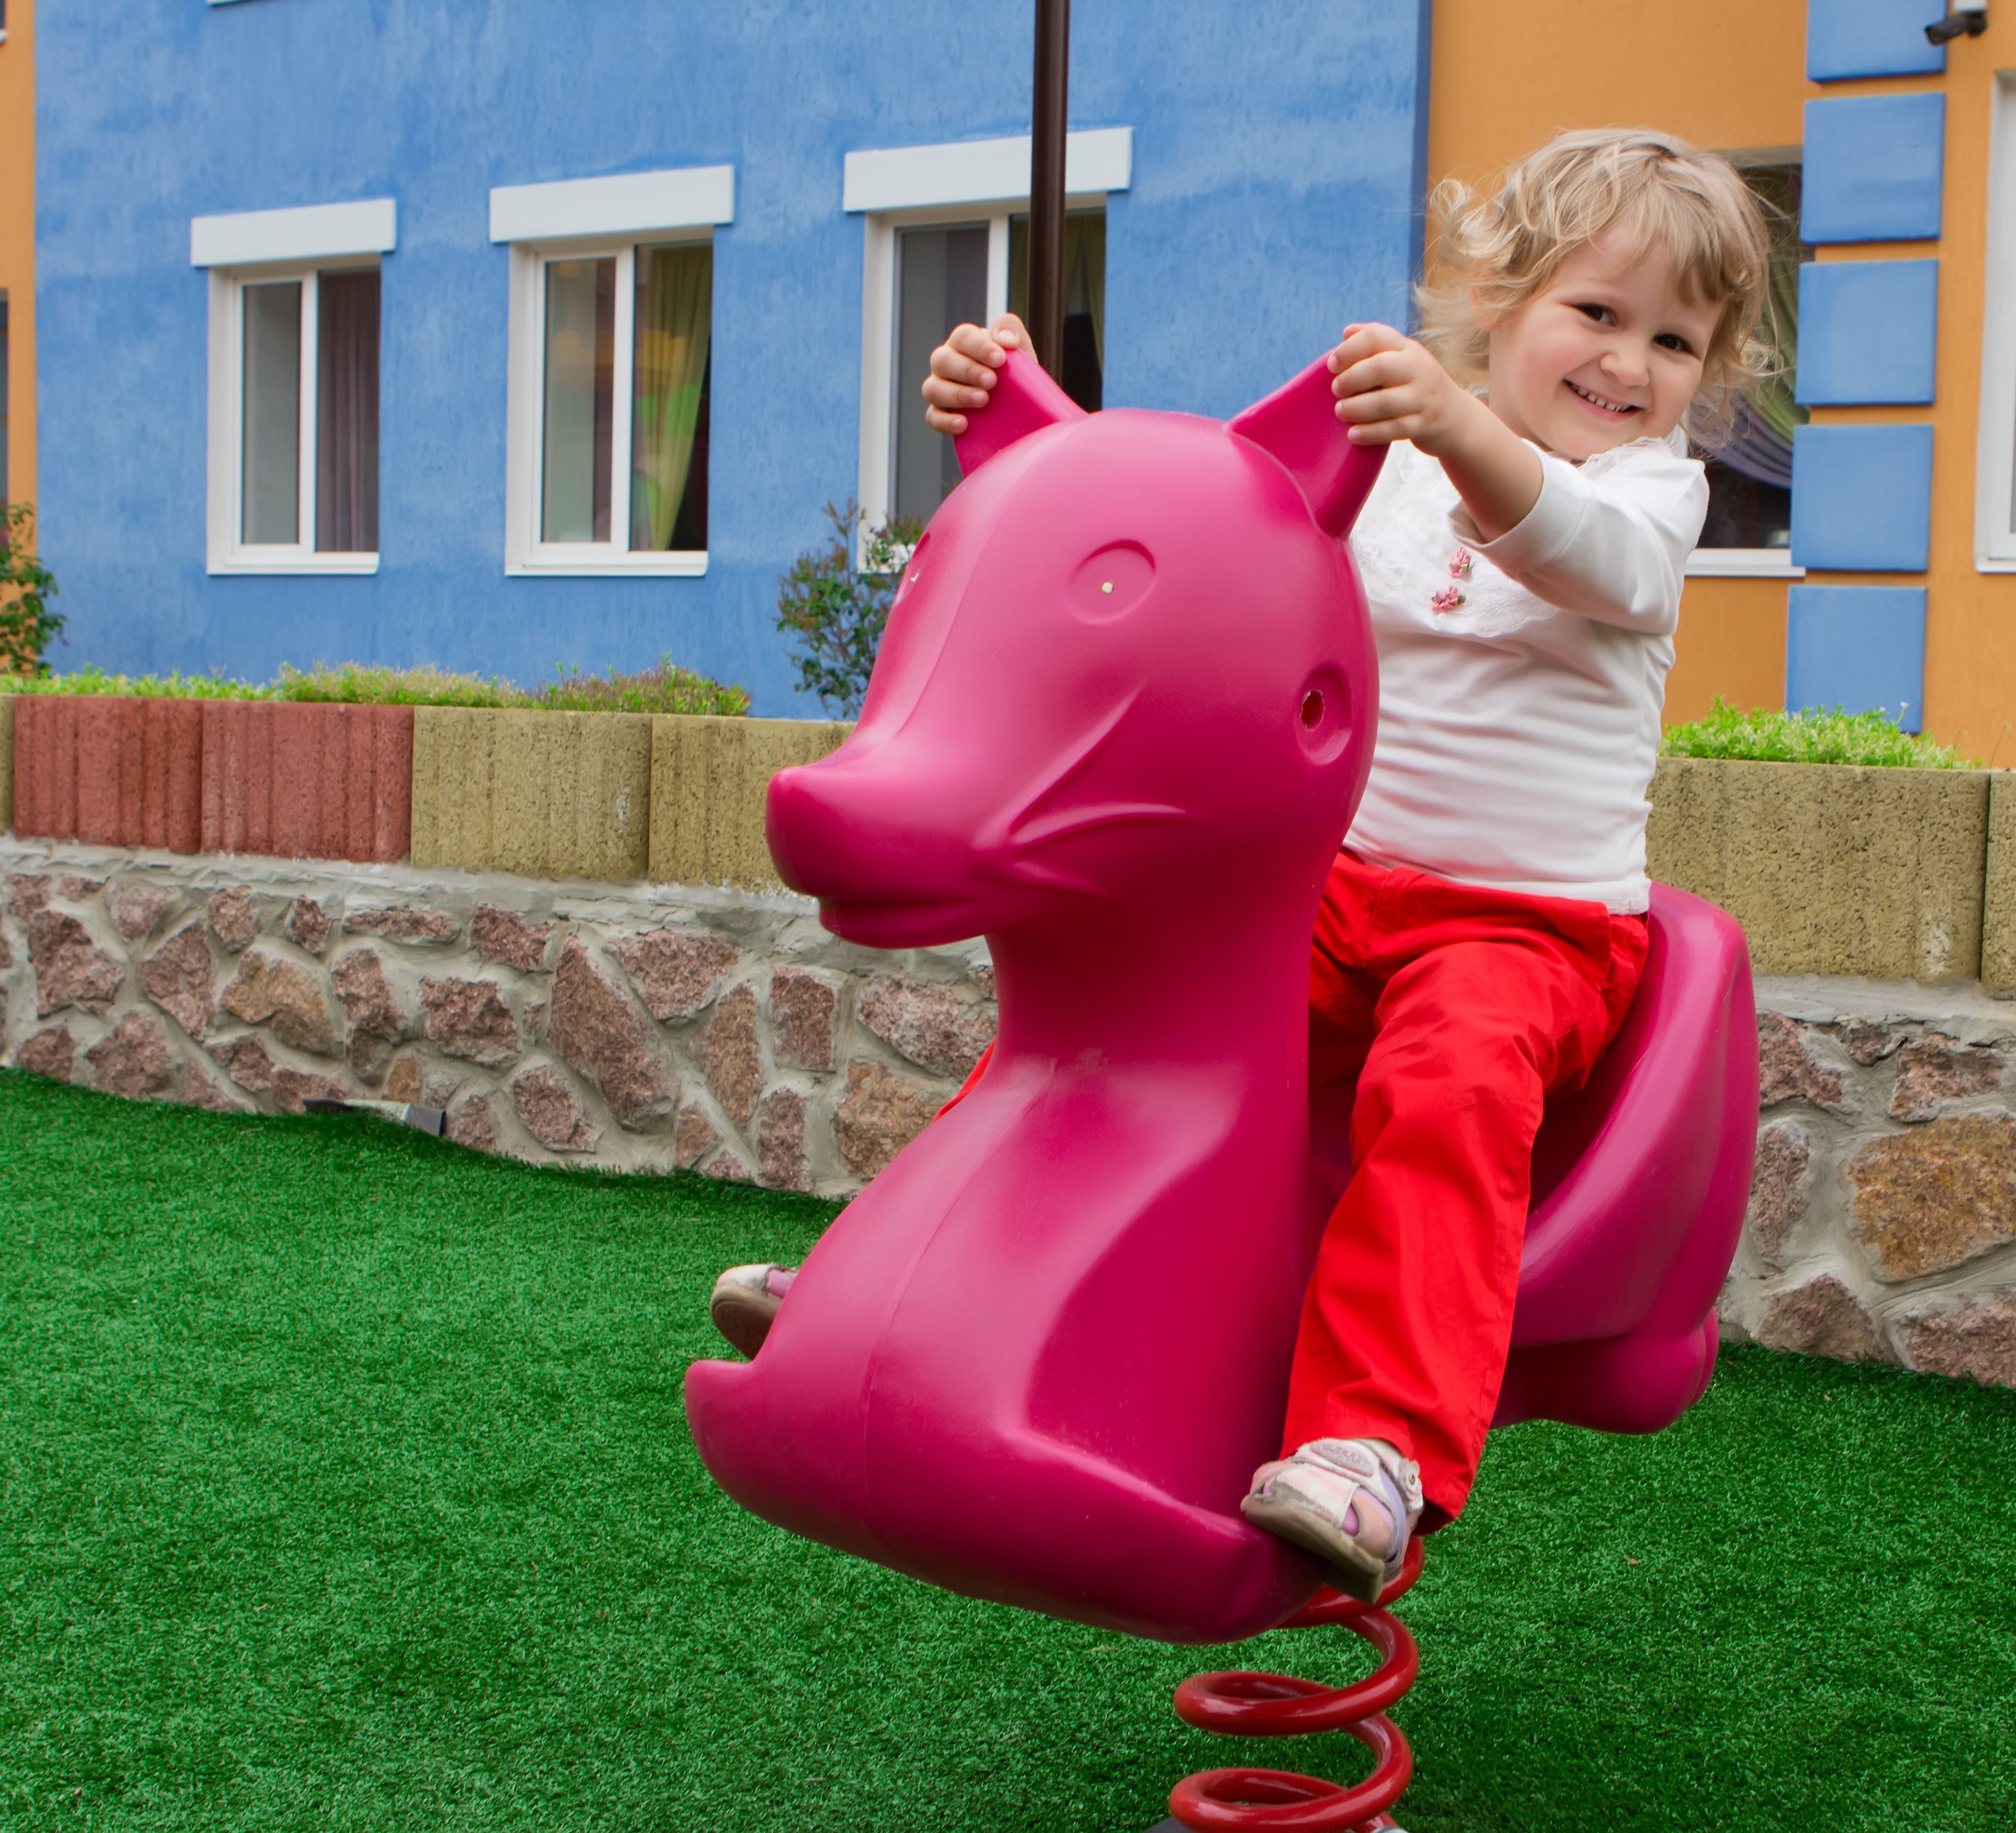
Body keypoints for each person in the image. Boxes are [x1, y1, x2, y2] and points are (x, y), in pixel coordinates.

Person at [714, 127, 1773, 1604]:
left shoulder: (1652, 498)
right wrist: (1021, 419)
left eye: (1675, 340)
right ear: (1503, 301)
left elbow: (1585, 554)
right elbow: (1208, 523)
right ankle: (904, 1271)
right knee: (1126, 998)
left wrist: (1454, 427)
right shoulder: (1392, 467)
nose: (1631, 363)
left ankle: (1376, 1445)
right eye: (1597, 312)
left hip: (1527, 930)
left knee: (1454, 1090)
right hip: (1335, 886)